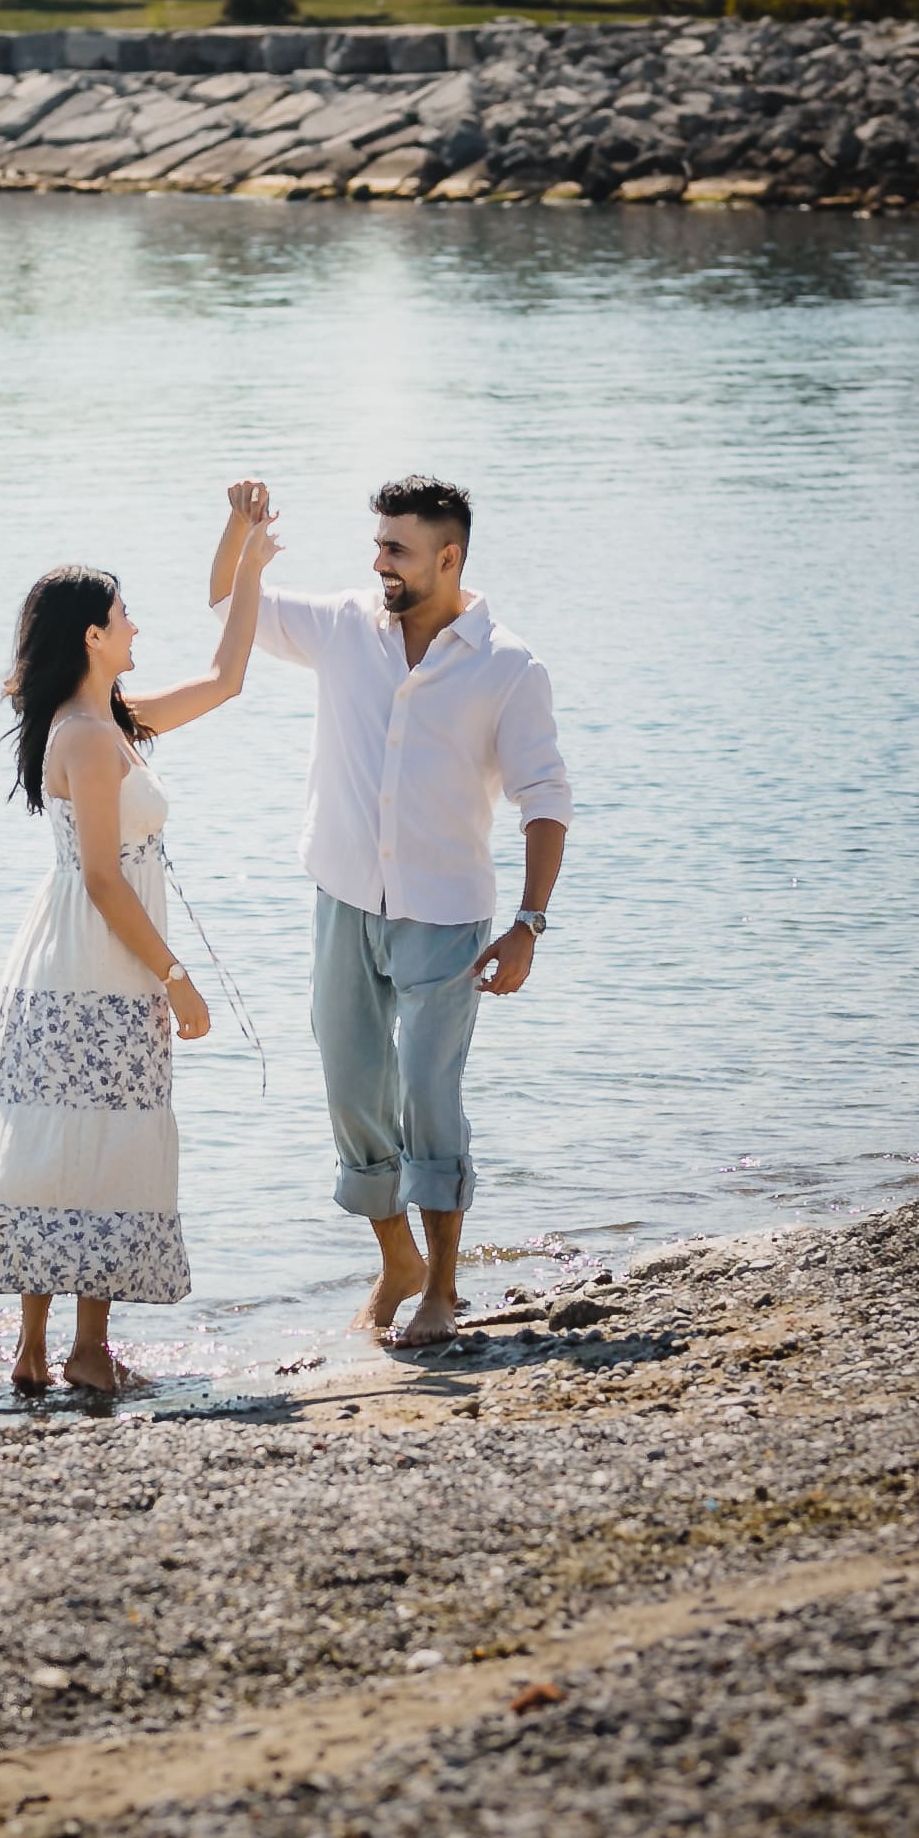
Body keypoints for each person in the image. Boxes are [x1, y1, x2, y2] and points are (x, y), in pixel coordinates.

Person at [0, 515, 282, 1394]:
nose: (138, 626)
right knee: (80, 1139)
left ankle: (53, 1352)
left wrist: (249, 559)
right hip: (95, 960)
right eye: (126, 614)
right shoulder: (83, 736)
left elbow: (226, 680)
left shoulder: (109, 721)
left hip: (85, 955)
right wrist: (175, 977)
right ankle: (67, 1351)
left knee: (71, 1135)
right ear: (92, 635)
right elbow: (105, 880)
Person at [208, 475, 571, 1348]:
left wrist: (528, 923)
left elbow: (544, 796)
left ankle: (441, 1291)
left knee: (428, 1094)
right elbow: (231, 601)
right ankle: (395, 1259)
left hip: (444, 915)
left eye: (396, 549)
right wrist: (237, 531)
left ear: (448, 558)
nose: (379, 563)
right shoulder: (342, 626)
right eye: (376, 545)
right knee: (350, 1087)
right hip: (341, 898)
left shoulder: (507, 666)